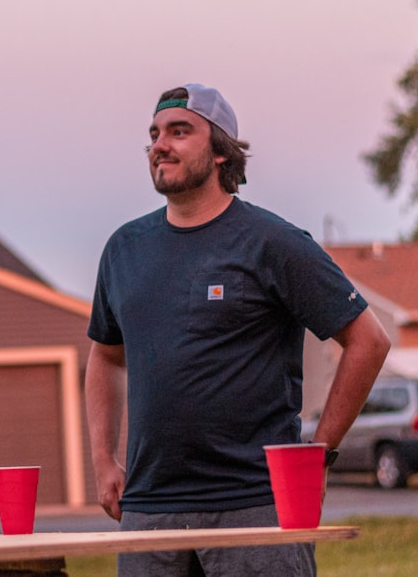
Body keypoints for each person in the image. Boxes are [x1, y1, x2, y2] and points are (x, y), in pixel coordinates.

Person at [85, 83, 391, 576]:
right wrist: (103, 461)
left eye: (179, 131)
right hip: (150, 512)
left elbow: (368, 340)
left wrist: (317, 456)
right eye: (154, 134)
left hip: (255, 508)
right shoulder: (124, 250)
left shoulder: (274, 243)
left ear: (222, 152)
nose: (160, 145)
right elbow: (105, 357)